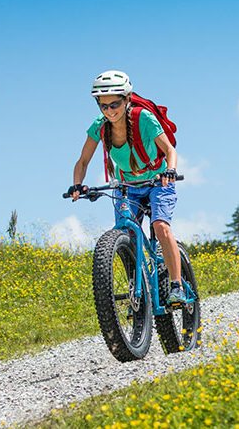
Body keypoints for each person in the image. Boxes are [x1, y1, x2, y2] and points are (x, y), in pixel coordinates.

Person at [69, 70, 183, 304]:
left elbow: (170, 150)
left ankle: (176, 285)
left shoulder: (144, 118)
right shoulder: (100, 127)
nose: (110, 111)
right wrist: (77, 185)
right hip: (126, 186)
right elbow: (82, 161)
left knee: (161, 226)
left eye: (115, 104)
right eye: (104, 106)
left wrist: (170, 171)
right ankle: (136, 285)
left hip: (157, 181)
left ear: (127, 99)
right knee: (125, 233)